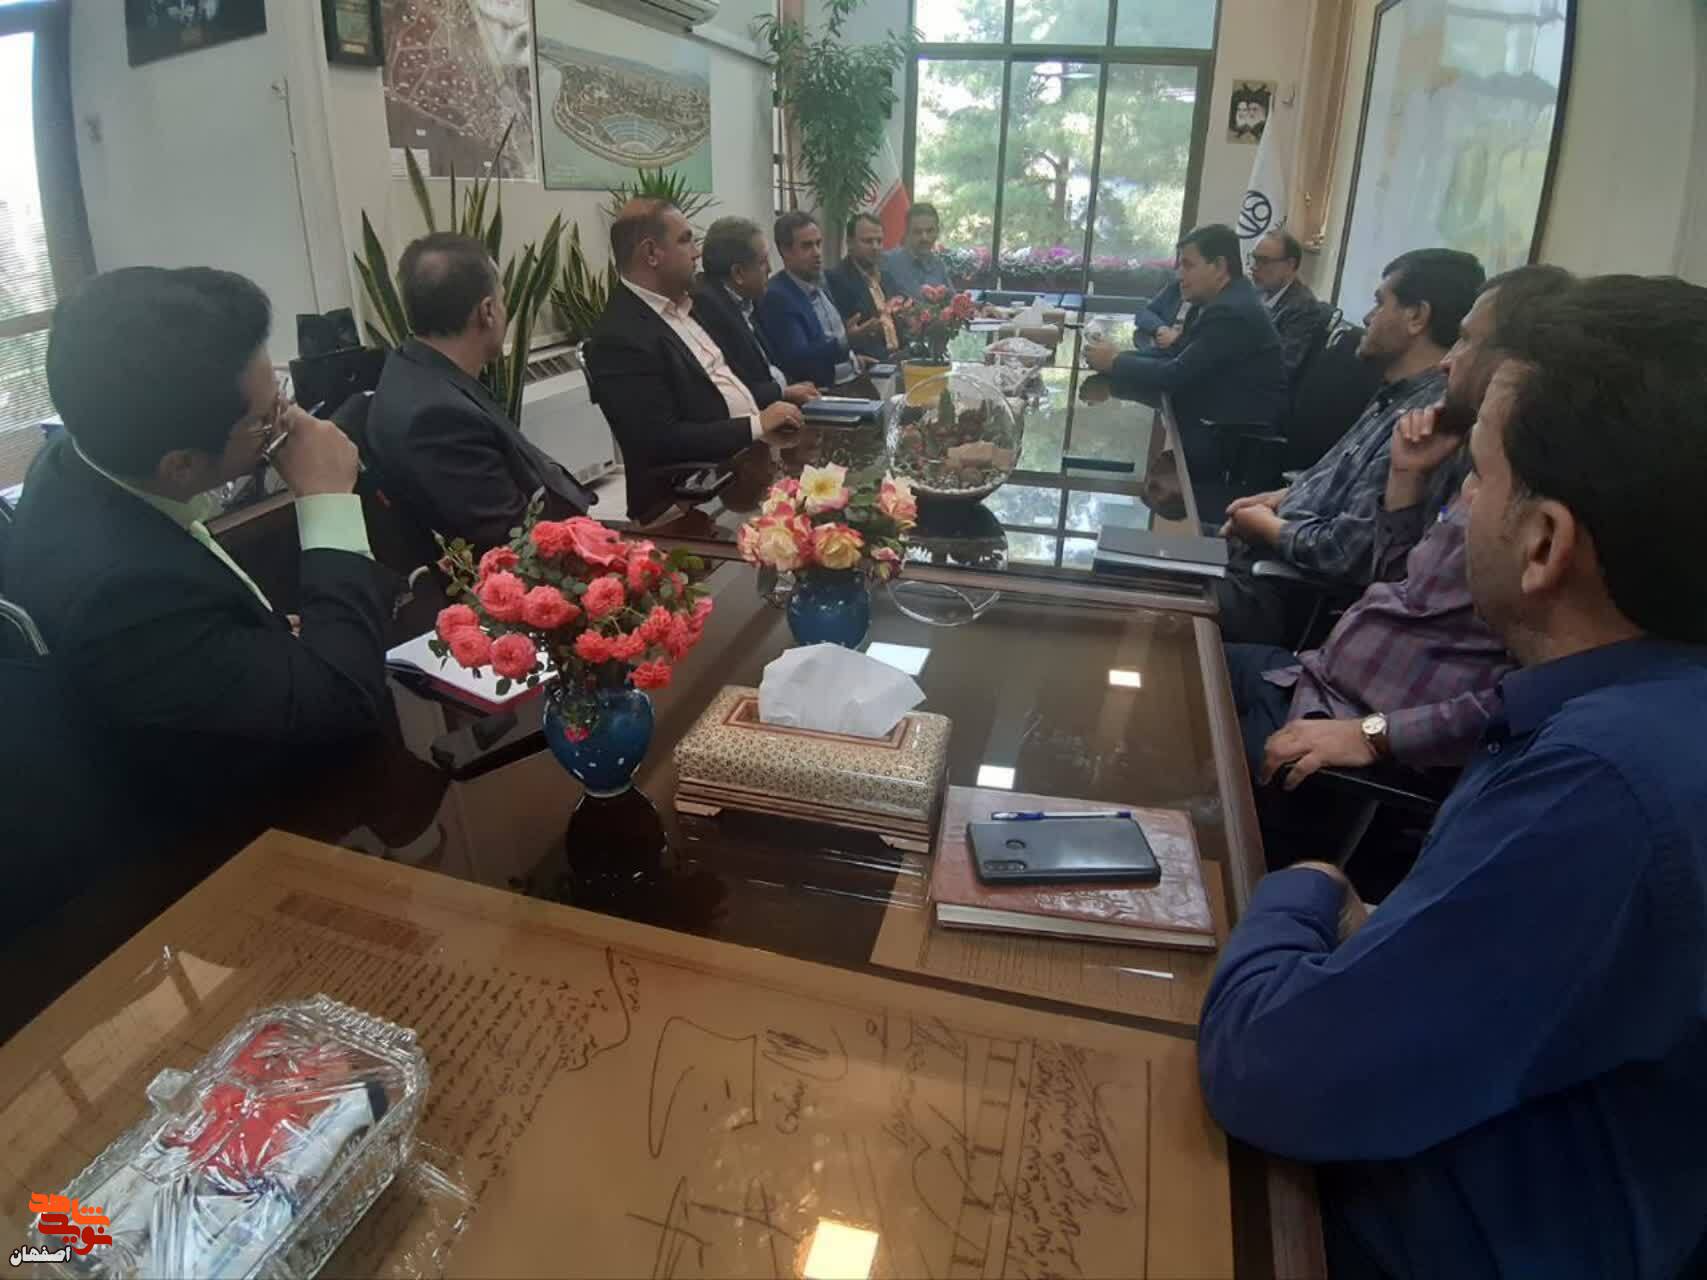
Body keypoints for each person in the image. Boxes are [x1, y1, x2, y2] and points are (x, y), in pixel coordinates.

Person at [1199, 273, 1707, 1278]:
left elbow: (1269, 1068)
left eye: (1479, 476)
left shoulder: (1600, 790)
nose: (1461, 500)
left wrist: (1311, 885)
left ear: (1543, 542)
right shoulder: (1637, 709)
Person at [4, 266, 395, 847]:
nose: (285, 420)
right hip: (230, 843)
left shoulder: (73, 458)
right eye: (265, 419)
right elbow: (344, 700)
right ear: (181, 464)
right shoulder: (124, 596)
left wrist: (251, 641)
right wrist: (327, 501)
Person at [1224, 265, 1575, 789]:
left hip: (1336, 733)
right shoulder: (1471, 458)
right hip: (1308, 679)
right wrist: (1406, 481)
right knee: (1166, 661)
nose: (1448, 359)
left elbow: (1527, 693)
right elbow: (1397, 580)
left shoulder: (1540, 508)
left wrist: (1376, 734)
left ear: (1517, 366)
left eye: (1466, 340)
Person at [1215, 248, 1485, 644]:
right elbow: (1336, 481)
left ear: (1416, 316)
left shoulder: (1426, 423)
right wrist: (1278, 497)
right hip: (1262, 560)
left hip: (1283, 593)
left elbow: (1346, 552)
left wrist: (1264, 525)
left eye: (1380, 302)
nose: (1368, 317)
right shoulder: (1394, 395)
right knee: (1146, 561)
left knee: (1141, 596)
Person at [367, 233, 594, 557]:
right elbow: (514, 546)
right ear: (487, 311)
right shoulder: (437, 418)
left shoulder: (418, 371)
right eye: (502, 299)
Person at [583, 199, 803, 524]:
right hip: (690, 499)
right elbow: (661, 440)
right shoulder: (619, 337)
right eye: (686, 240)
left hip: (748, 463)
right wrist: (757, 424)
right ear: (652, 253)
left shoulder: (690, 306)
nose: (697, 253)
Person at [1083, 223, 1288, 486]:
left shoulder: (1232, 311)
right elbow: (1174, 354)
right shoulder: (1217, 301)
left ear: (1219, 266)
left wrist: (1115, 362)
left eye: (1188, 265)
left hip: (1235, 442)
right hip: (1212, 420)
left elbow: (1176, 374)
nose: (1180, 275)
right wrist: (1117, 357)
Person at [692, 217, 820, 411]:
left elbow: (771, 366)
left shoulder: (749, 300)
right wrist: (783, 392)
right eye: (763, 262)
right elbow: (734, 390)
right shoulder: (710, 309)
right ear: (738, 273)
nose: (770, 269)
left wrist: (795, 387)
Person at [758, 212, 881, 389]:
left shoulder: (822, 282)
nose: (817, 253)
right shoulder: (778, 296)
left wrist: (855, 359)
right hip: (824, 391)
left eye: (818, 244)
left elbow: (829, 340)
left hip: (854, 374)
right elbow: (799, 361)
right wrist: (847, 341)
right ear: (785, 251)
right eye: (807, 246)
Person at [825, 212, 904, 360]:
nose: (875, 247)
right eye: (868, 241)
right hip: (869, 364)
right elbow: (844, 337)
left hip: (900, 358)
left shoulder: (887, 277)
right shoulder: (836, 279)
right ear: (850, 243)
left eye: (879, 241)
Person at [1247, 229, 1324, 378]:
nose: (1254, 267)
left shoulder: (1303, 307)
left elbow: (1280, 367)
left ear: (1289, 265)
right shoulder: (1256, 291)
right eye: (1254, 259)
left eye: (1264, 261)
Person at [882, 204, 953, 301]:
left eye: (929, 231)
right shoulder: (887, 262)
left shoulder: (939, 266)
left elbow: (954, 302)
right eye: (918, 232)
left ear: (937, 232)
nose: (924, 238)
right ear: (907, 233)